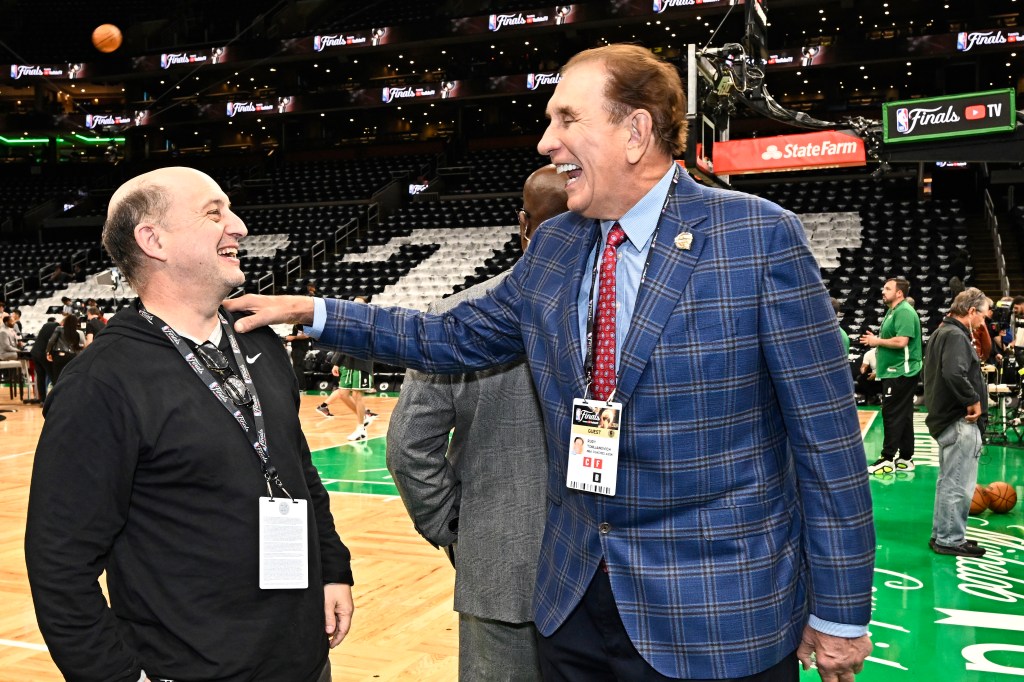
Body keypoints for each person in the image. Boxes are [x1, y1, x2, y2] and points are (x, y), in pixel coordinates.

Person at [225, 44, 874, 682]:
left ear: (635, 131)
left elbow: (828, 441)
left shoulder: (758, 239)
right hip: (572, 601)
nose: (546, 142)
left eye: (567, 119)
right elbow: (449, 337)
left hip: (713, 609)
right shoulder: (559, 243)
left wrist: (842, 612)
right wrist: (317, 311)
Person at [25, 167, 353, 682]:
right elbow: (59, 565)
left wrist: (332, 568)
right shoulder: (102, 382)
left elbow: (297, 469)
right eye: (213, 212)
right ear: (153, 240)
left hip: (303, 659)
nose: (239, 226)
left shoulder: (260, 343)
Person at [386, 165, 567, 681]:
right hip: (613, 577)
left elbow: (407, 447)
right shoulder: (626, 314)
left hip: (498, 567)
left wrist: (456, 530)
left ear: (522, 226)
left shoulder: (454, 316)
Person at [922, 288, 988, 558]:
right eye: (982, 315)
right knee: (959, 483)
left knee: (949, 481)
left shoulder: (942, 332)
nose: (984, 321)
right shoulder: (955, 335)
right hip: (959, 420)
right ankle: (950, 539)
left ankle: (944, 533)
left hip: (947, 419)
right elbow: (954, 372)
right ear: (971, 311)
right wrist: (973, 400)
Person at [861, 276, 923, 475]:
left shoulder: (904, 311)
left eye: (887, 288)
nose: (882, 291)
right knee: (903, 416)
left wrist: (876, 341)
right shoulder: (893, 311)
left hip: (901, 371)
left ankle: (886, 459)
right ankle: (905, 458)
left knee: (892, 414)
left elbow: (901, 342)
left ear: (899, 293)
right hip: (895, 371)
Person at [45, 313, 85, 381]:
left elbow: (51, 341)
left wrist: (48, 352)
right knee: (69, 378)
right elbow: (81, 346)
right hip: (72, 357)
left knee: (57, 378)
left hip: (60, 356)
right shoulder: (79, 333)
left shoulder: (59, 329)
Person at [29, 316, 59, 403]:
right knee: (52, 375)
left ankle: (42, 399)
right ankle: (56, 398)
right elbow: (52, 342)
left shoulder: (46, 326)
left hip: (35, 352)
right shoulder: (56, 327)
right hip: (43, 354)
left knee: (40, 377)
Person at [286, 324, 312, 390]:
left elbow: (306, 335)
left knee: (297, 367)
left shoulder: (303, 324)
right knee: (296, 366)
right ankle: (300, 386)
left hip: (300, 348)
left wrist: (294, 337)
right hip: (296, 348)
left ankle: (301, 386)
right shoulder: (297, 324)